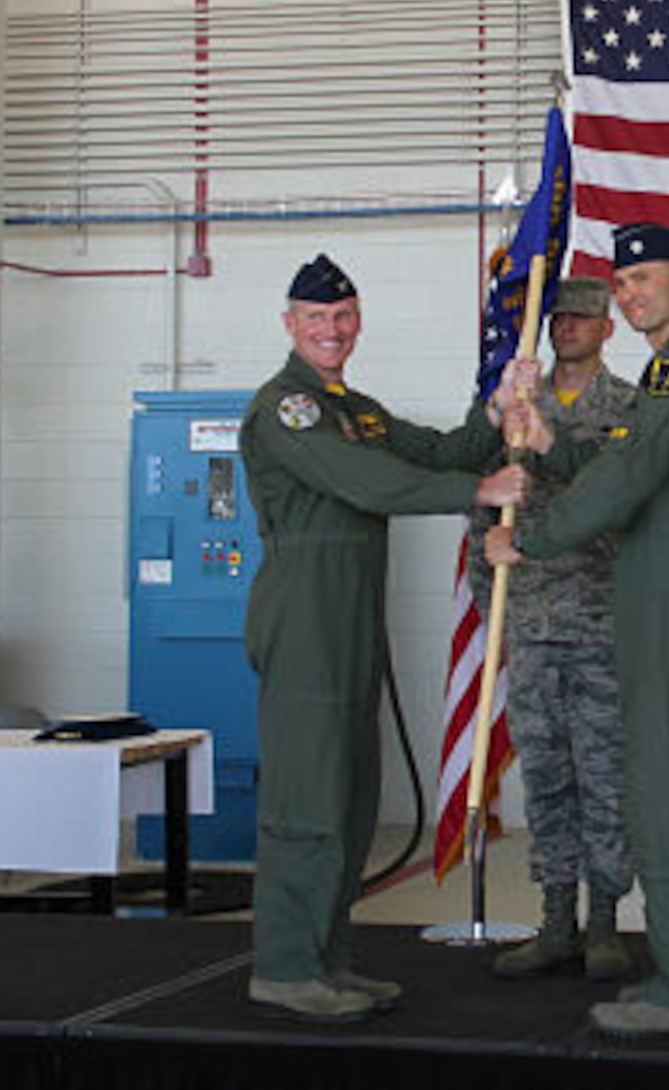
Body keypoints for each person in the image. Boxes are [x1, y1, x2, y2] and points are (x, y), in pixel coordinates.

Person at [485, 222, 669, 1039]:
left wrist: (525, 538)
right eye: (626, 282)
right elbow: (627, 458)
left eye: (649, 278)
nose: (634, 293)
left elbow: (633, 477)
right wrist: (549, 444)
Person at [240, 252, 522, 1023]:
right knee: (308, 799)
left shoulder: (354, 407)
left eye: (342, 317)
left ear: (357, 321)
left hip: (351, 614)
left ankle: (326, 959)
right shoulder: (286, 410)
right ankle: (287, 967)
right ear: (291, 325)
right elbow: (367, 483)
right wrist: (479, 490)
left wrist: (494, 417)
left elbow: (431, 452)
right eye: (316, 320)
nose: (331, 331)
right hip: (305, 613)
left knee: (350, 796)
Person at [471, 277, 637, 983]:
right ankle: (553, 920)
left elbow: (631, 504)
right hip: (533, 627)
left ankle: (604, 922)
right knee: (546, 778)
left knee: (605, 778)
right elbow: (482, 527)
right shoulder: (511, 412)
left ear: (608, 329)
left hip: (603, 626)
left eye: (584, 317)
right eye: (559, 316)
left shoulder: (629, 408)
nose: (568, 326)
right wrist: (496, 618)